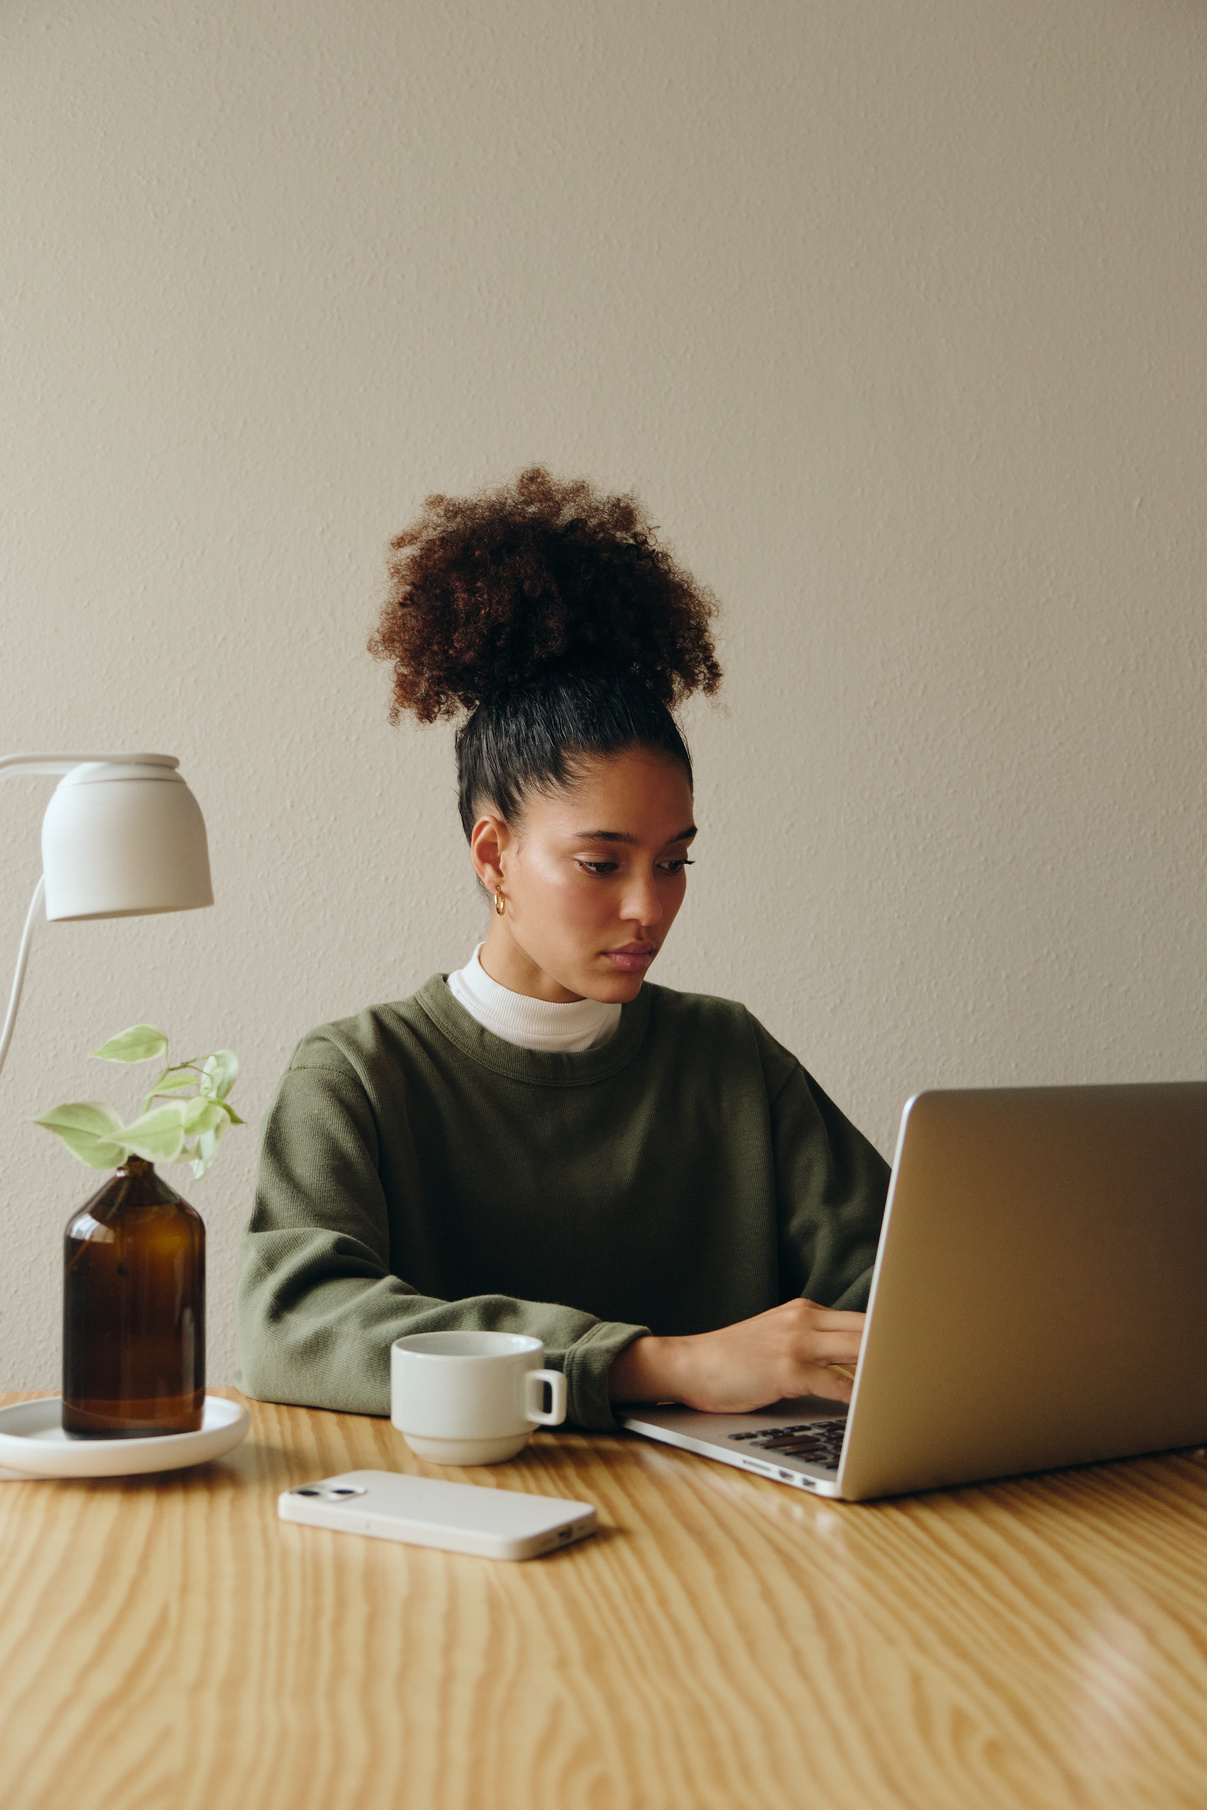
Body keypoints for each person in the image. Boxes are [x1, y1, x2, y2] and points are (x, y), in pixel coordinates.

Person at [237, 468, 889, 1430]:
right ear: (493, 854)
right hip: (456, 1549)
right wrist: (657, 1364)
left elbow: (898, 1288)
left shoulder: (730, 1059)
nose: (648, 908)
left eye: (673, 862)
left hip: (744, 1543)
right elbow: (292, 1326)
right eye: (600, 863)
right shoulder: (359, 1075)